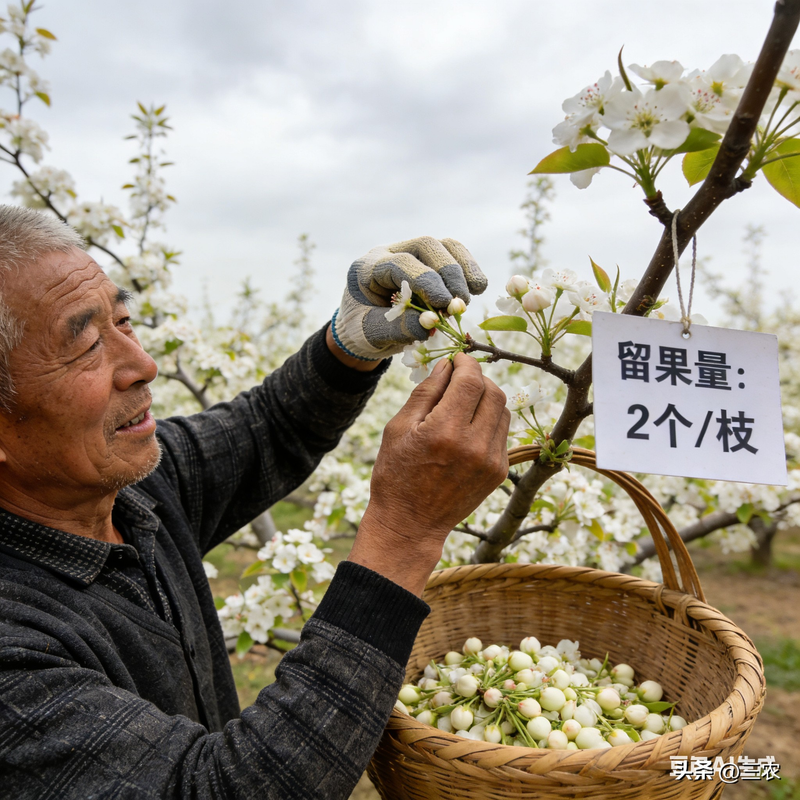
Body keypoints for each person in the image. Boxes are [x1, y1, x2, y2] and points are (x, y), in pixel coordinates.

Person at [0, 205, 510, 799]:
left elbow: (268, 428)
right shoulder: (14, 652)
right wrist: (405, 530)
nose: (144, 366)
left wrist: (349, 344)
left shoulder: (127, 490)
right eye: (86, 344)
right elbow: (225, 790)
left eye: (124, 320)